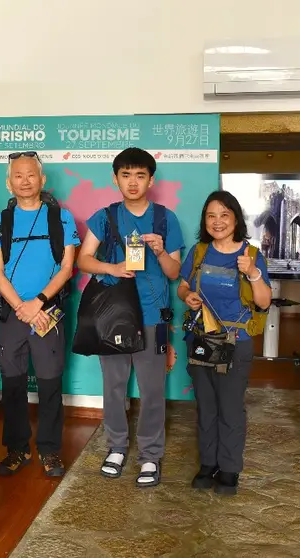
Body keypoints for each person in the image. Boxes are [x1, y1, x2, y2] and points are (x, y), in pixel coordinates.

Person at [76, 147, 184, 488]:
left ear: (151, 180)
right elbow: (83, 259)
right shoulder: (105, 217)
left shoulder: (165, 219)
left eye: (140, 175)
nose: (133, 182)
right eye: (126, 175)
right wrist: (112, 267)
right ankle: (116, 447)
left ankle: (150, 455)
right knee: (114, 387)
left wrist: (159, 250)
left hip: (154, 317)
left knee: (153, 390)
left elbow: (174, 271)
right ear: (115, 179)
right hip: (115, 316)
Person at [0, 151, 80, 477]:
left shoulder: (62, 218)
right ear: (9, 182)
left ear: (42, 180)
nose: (24, 181)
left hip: (48, 312)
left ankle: (50, 451)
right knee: (12, 386)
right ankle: (17, 449)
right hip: (13, 313)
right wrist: (22, 308)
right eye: (18, 175)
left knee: (50, 384)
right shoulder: (0, 220)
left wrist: (38, 303)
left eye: (31, 175)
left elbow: (67, 268)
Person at [177, 190, 271, 494]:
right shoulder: (199, 252)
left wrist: (253, 273)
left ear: (236, 219)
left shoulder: (251, 255)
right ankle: (208, 463)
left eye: (224, 215)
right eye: (211, 215)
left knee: (230, 407)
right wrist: (187, 296)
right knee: (206, 405)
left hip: (236, 341)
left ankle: (229, 468)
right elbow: (182, 286)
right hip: (202, 338)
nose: (217, 222)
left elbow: (265, 302)